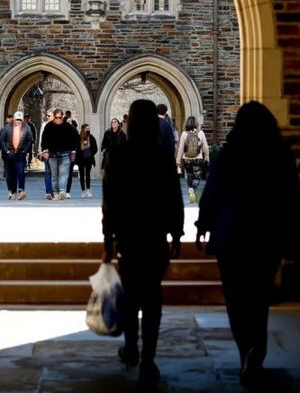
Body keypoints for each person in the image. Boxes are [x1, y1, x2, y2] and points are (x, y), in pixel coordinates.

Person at [194, 101, 300, 387]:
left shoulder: (231, 152)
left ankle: (246, 348)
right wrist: (297, 233)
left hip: (231, 238)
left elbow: (213, 191)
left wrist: (203, 225)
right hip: (265, 238)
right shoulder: (278, 153)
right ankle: (255, 349)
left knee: (236, 298)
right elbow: (293, 197)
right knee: (259, 298)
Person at [102, 99, 184, 386]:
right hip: (154, 235)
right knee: (152, 296)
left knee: (131, 294)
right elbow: (174, 196)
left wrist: (107, 239)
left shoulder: (119, 154)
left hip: (129, 236)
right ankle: (148, 356)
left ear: (130, 122)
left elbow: (109, 201)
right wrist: (176, 232)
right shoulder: (162, 155)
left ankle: (132, 348)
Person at [40, 108, 78, 200]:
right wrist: (45, 151)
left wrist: (73, 152)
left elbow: (75, 138)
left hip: (65, 153)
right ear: (53, 117)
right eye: (56, 117)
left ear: (62, 117)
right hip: (52, 154)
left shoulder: (68, 127)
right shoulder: (49, 126)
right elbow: (44, 140)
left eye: (60, 117)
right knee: (54, 175)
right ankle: (55, 192)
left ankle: (62, 190)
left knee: (63, 174)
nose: (58, 119)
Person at [0, 110, 33, 200]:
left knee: (21, 171)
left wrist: (25, 150)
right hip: (9, 154)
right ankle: (13, 191)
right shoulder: (7, 128)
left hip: (20, 153)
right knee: (10, 174)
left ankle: (21, 190)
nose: (18, 122)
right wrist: (5, 150)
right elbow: (2, 140)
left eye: (20, 120)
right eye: (17, 120)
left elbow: (29, 140)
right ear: (13, 120)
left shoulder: (26, 128)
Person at [175, 116, 210, 204]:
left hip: (186, 159)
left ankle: (190, 189)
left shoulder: (184, 133)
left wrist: (178, 161)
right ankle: (193, 189)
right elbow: (205, 146)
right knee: (197, 177)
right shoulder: (201, 133)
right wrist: (207, 156)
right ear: (196, 123)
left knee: (189, 176)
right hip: (198, 158)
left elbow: (181, 148)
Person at [68, 123, 98, 198]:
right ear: (83, 129)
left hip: (89, 158)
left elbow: (95, 148)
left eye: (89, 128)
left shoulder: (91, 137)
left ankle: (88, 190)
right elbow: (75, 147)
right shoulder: (78, 137)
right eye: (86, 128)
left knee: (88, 174)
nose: (88, 130)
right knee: (81, 174)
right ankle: (83, 190)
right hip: (81, 158)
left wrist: (91, 153)